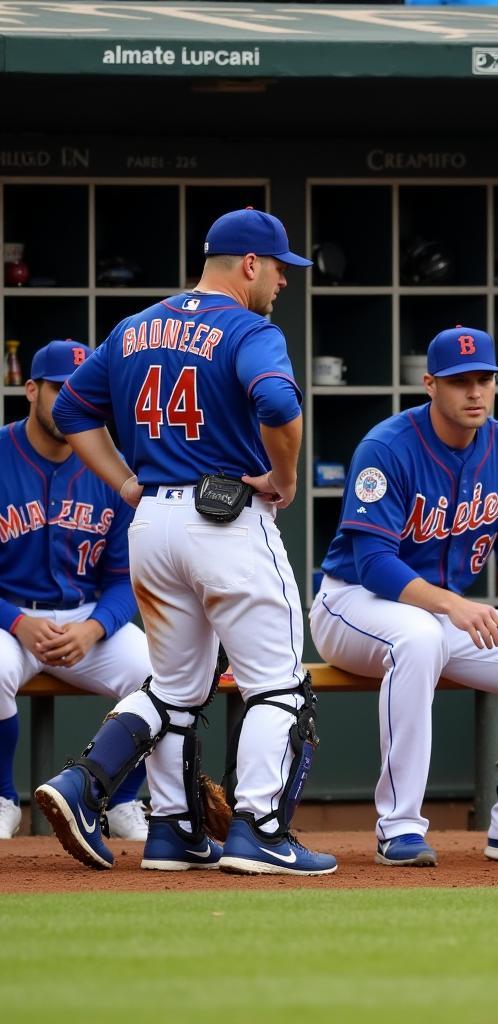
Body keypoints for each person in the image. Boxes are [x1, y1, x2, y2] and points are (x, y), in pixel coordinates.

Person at [34, 208, 336, 875]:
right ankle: (260, 831)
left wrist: (123, 483)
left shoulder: (134, 326)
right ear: (249, 264)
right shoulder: (247, 326)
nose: (283, 282)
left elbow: (69, 411)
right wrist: (282, 478)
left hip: (155, 524)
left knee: (175, 689)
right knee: (278, 687)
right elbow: (280, 405)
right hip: (226, 518)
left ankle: (162, 825)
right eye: (279, 268)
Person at [310, 326, 498, 867]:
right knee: (420, 637)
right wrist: (452, 604)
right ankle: (398, 827)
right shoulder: (386, 447)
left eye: (485, 380)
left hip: (438, 613)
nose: (475, 393)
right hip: (350, 604)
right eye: (459, 382)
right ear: (429, 384)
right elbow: (374, 565)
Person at [0, 340, 151, 842]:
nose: (71, 398)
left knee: (158, 672)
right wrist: (17, 622)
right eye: (60, 388)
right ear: (30, 390)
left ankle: (125, 799)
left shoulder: (114, 466)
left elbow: (129, 577)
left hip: (87, 616)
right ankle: (4, 797)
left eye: (82, 390)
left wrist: (95, 627)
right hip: (10, 619)